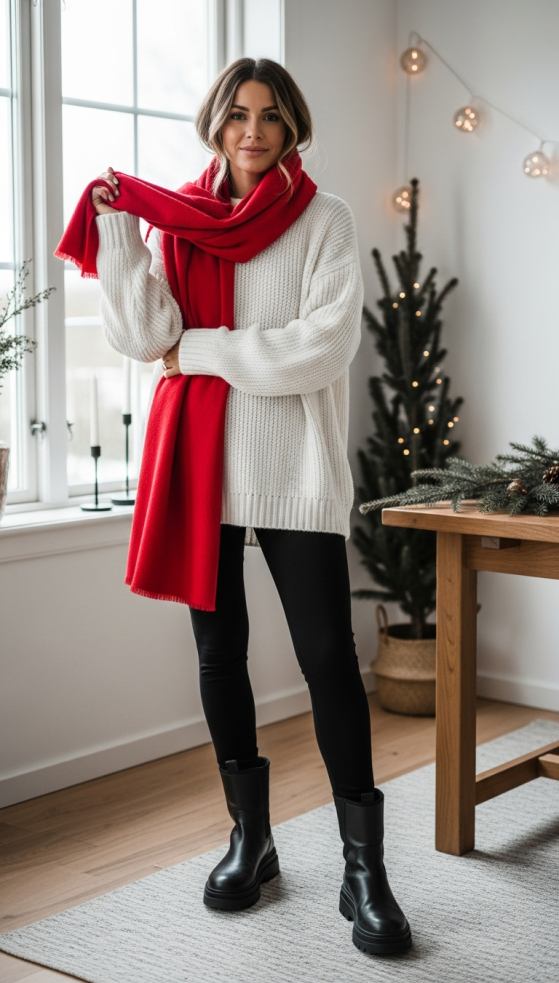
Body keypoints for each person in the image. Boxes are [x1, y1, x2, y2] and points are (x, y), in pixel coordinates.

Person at [90, 57, 411, 957]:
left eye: (270, 116)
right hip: (200, 473)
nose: (252, 131)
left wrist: (197, 351)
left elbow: (317, 349)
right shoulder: (179, 224)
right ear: (215, 124)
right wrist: (120, 234)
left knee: (327, 663)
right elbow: (143, 335)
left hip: (294, 474)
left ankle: (363, 872)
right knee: (217, 656)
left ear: (292, 126)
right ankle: (252, 839)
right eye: (237, 115)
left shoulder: (326, 219)